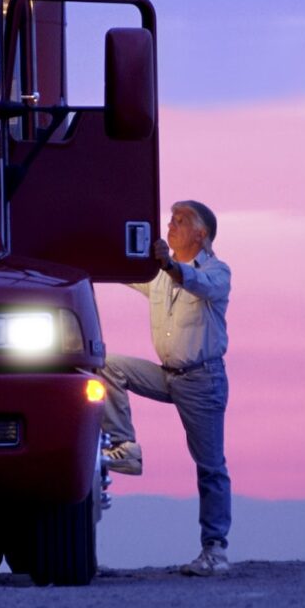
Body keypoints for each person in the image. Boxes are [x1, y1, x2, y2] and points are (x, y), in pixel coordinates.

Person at [101, 200, 232, 576]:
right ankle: (125, 448)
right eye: (171, 219)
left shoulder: (217, 271)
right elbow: (122, 272)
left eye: (181, 221)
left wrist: (169, 266)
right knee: (108, 366)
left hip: (202, 381)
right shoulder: (158, 275)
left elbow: (198, 283)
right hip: (167, 374)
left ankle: (215, 550)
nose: (171, 226)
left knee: (210, 466)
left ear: (201, 234)